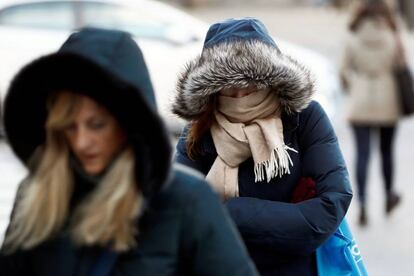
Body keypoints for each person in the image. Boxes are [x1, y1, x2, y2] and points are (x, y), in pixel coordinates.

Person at [0, 27, 259, 276]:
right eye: (69, 126)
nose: (81, 142)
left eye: (97, 125)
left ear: (128, 123)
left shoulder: (185, 200)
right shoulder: (35, 194)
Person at [173, 18, 353, 276]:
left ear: (270, 79)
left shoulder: (304, 117)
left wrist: (232, 211)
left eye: (250, 84)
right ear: (212, 89)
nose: (240, 96)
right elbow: (180, 216)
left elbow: (330, 206)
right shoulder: (199, 128)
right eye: (228, 86)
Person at [340, 0, 403, 226]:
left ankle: (364, 203)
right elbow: (400, 67)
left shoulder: (353, 36)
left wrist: (353, 88)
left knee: (362, 154)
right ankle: (388, 195)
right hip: (389, 99)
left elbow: (343, 71)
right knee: (387, 152)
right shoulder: (392, 36)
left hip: (360, 101)